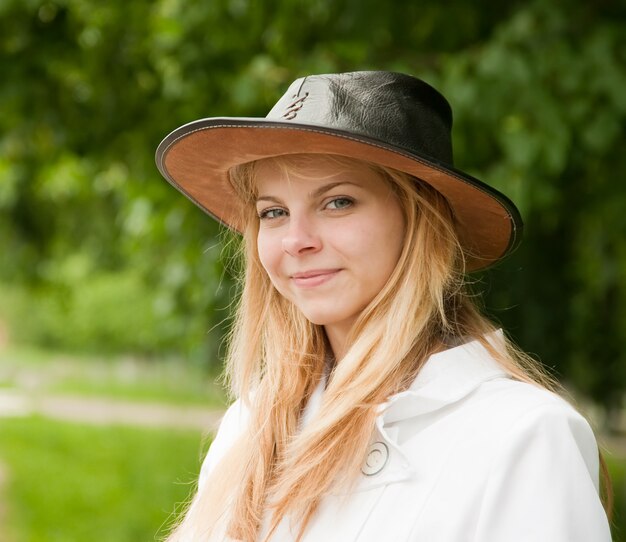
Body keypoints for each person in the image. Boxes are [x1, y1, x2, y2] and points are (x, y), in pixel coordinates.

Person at [155, 71, 612, 541]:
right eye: (273, 212)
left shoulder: (524, 435)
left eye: (338, 202)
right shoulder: (248, 427)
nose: (296, 240)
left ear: (420, 221)